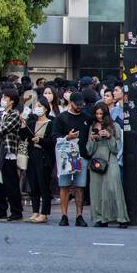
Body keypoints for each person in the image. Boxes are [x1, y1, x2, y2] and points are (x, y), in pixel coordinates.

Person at [86, 101, 130, 228]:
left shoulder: (114, 126)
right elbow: (89, 150)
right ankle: (100, 218)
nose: (99, 116)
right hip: (96, 160)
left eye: (101, 113)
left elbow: (116, 148)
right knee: (96, 190)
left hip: (111, 160)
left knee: (113, 188)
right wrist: (92, 139)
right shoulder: (92, 127)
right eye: (97, 113)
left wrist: (109, 136)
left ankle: (121, 217)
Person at [53, 92, 91, 227]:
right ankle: (64, 215)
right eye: (77, 105)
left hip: (82, 156)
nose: (80, 107)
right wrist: (67, 137)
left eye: (82, 105)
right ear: (71, 103)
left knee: (80, 187)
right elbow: (54, 136)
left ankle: (79, 215)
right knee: (64, 186)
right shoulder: (61, 118)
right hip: (65, 157)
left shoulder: (87, 117)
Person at [0, 89, 25, 221]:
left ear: (12, 101)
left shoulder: (15, 114)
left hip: (9, 152)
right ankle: (0, 209)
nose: (3, 99)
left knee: (11, 183)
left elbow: (5, 128)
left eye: (6, 97)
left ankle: (16, 211)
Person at [24, 95, 55, 223]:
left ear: (46, 108)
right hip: (32, 155)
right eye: (36, 106)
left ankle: (44, 213)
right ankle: (35, 211)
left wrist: (40, 141)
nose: (37, 108)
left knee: (44, 185)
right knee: (33, 184)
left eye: (39, 106)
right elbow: (23, 136)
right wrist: (22, 123)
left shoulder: (51, 123)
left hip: (44, 157)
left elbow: (52, 142)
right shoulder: (31, 123)